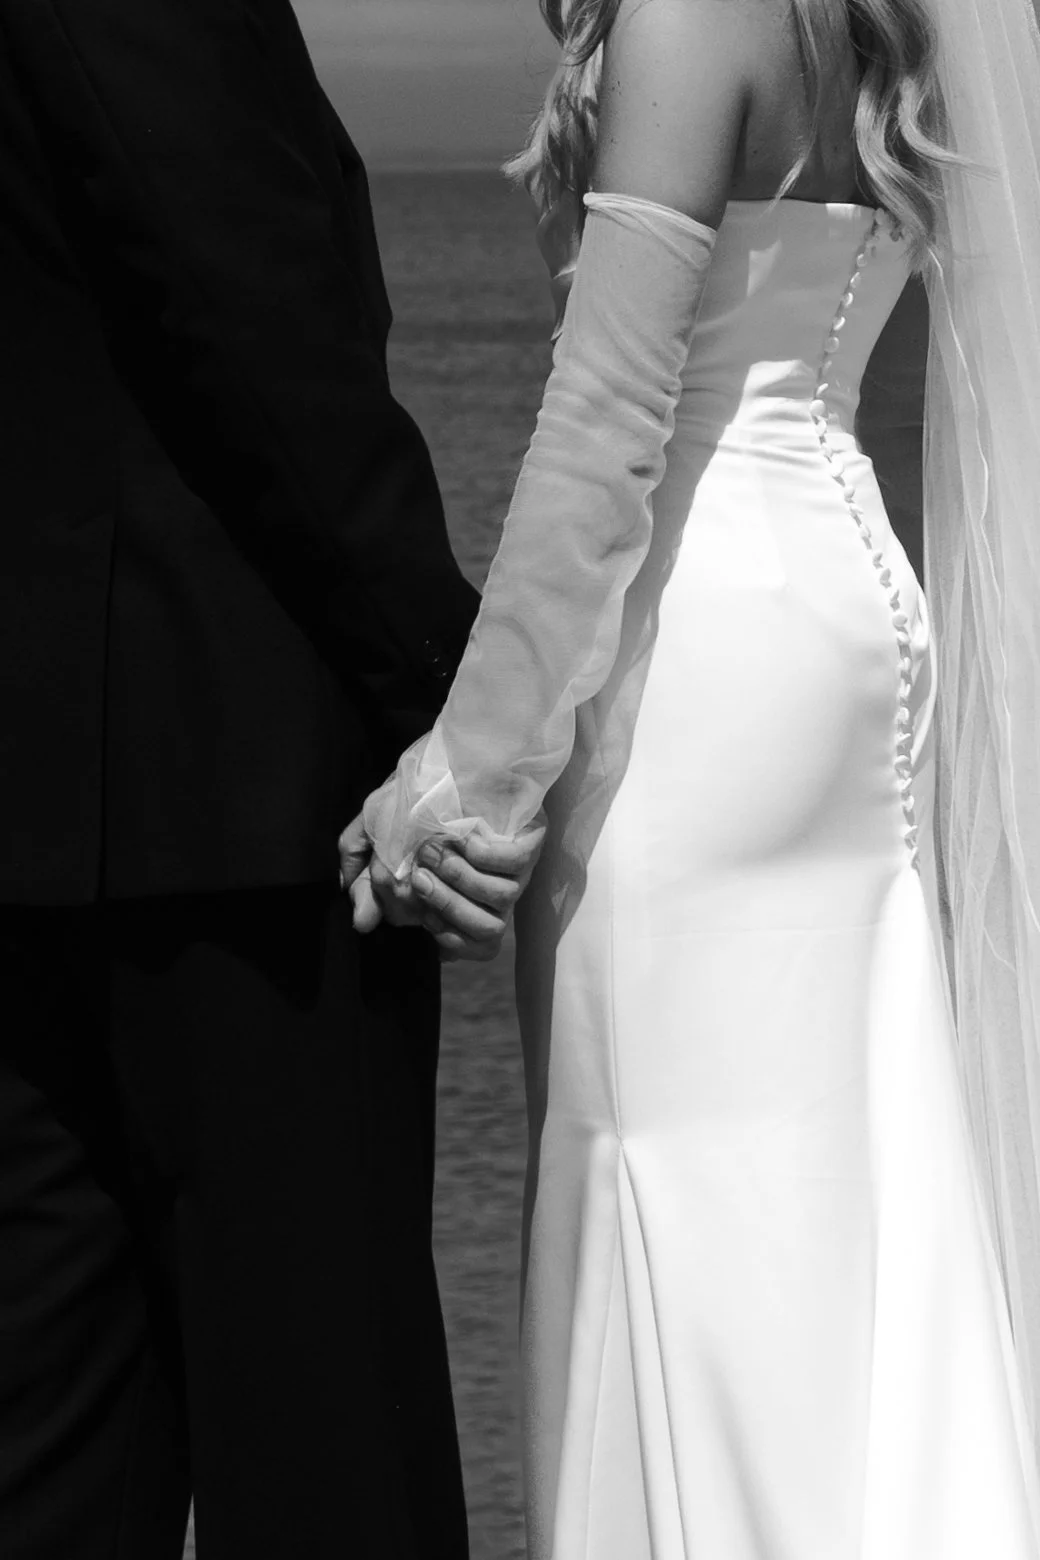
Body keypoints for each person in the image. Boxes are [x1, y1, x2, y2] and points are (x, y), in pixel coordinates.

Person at [357, 0, 1040, 1553]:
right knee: (839, 1186)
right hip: (851, 623)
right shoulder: (875, 19)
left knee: (653, 1184)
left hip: (704, 648)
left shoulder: (688, 13)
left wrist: (470, 771)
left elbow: (609, 421)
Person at [0, 1, 543, 1556]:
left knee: (52, 1436)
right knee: (325, 1443)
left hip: (50, 807)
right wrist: (464, 710)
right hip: (224, 794)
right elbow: (250, 316)